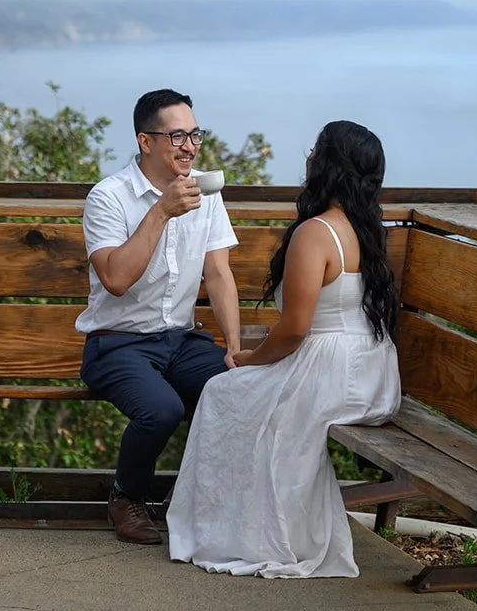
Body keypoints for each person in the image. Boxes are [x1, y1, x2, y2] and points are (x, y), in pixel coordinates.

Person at [167, 119, 401, 577]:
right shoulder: (366, 226)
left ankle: (236, 529)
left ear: (328, 165)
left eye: (316, 150)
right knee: (241, 393)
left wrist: (250, 359)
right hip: (374, 371)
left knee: (223, 393)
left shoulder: (316, 232)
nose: (309, 156)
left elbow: (295, 330)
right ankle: (241, 520)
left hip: (333, 369)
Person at [79, 88, 243, 545]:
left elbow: (218, 272)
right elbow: (115, 279)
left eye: (195, 134)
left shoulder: (205, 193)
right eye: (177, 136)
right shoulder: (109, 197)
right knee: (162, 409)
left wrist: (233, 346)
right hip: (117, 342)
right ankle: (125, 497)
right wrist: (160, 212)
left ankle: (188, 499)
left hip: (181, 340)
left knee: (236, 392)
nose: (189, 146)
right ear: (145, 141)